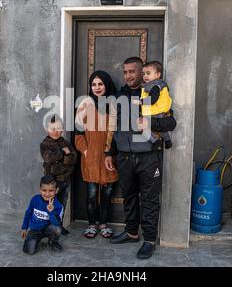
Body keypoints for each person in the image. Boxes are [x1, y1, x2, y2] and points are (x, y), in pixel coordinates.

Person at [105, 57, 176, 259]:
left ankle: (149, 240)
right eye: (125, 72)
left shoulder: (153, 93)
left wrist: (150, 122)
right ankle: (131, 232)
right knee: (128, 196)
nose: (128, 75)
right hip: (124, 157)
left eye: (132, 72)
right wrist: (109, 153)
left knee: (150, 200)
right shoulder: (118, 96)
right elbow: (113, 126)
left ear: (142, 72)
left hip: (148, 157)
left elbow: (171, 122)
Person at [75, 70, 118, 239]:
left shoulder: (114, 105)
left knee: (107, 195)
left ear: (106, 84)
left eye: (100, 84)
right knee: (92, 194)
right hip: (91, 159)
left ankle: (104, 223)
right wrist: (86, 151)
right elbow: (78, 135)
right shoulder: (85, 106)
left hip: (109, 158)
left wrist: (111, 152)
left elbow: (116, 133)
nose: (97, 87)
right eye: (94, 84)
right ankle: (91, 224)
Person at [40, 115, 77, 236]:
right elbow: (49, 157)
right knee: (51, 205)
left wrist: (64, 158)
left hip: (65, 179)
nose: (55, 131)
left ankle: (59, 226)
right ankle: (51, 228)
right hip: (52, 181)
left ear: (62, 129)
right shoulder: (45, 144)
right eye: (52, 128)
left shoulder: (65, 142)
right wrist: (62, 152)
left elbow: (72, 158)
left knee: (62, 204)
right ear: (47, 129)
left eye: (58, 128)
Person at [21, 175, 64, 254]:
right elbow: (28, 213)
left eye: (51, 191)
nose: (47, 194)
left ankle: (52, 242)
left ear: (56, 190)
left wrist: (51, 211)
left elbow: (56, 223)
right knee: (29, 251)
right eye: (44, 190)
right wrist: (24, 227)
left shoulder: (58, 206)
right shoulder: (35, 199)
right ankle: (35, 239)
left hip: (48, 229)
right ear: (40, 190)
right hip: (35, 230)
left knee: (57, 229)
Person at [137, 60, 173, 149]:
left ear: (157, 75)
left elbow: (152, 100)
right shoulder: (154, 85)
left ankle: (155, 141)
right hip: (158, 111)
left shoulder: (155, 86)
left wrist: (140, 101)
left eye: (148, 73)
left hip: (156, 111)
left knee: (141, 127)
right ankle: (167, 141)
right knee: (159, 129)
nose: (145, 76)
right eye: (143, 74)